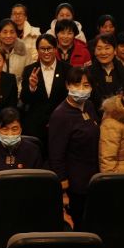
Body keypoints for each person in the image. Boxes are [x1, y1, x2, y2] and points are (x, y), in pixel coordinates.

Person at [48, 66, 100, 227]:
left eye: (86, 85)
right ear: (67, 85)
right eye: (76, 84)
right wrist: (63, 189)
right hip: (74, 183)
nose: (81, 89)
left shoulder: (89, 105)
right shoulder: (60, 114)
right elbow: (56, 155)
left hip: (93, 177)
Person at [19, 33, 70, 143]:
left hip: (62, 123)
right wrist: (32, 87)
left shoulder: (67, 69)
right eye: (42, 49)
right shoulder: (29, 70)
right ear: (37, 50)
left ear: (55, 49)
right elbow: (24, 99)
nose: (46, 52)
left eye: (49, 48)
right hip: (36, 126)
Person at [0, 18, 30, 92]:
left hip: (19, 92)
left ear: (16, 34)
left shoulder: (24, 50)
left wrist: (18, 92)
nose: (8, 35)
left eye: (12, 32)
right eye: (5, 32)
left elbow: (28, 76)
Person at [86, 34, 124, 103]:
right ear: (94, 51)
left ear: (115, 51)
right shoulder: (88, 72)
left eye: (107, 48)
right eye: (99, 49)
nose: (103, 53)